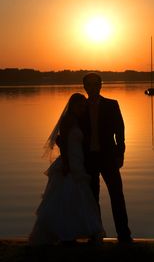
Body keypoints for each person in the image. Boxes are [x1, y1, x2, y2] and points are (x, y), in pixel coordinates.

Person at [29, 93, 105, 246]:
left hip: (78, 160)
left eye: (84, 106)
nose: (82, 109)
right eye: (79, 106)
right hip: (70, 162)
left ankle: (73, 232)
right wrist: (66, 163)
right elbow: (61, 141)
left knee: (77, 199)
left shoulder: (77, 120)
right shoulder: (68, 120)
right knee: (66, 198)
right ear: (73, 106)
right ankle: (66, 234)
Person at [82, 72, 132, 243]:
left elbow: (120, 131)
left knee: (117, 195)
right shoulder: (81, 107)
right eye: (89, 84)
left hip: (109, 157)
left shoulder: (112, 105)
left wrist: (120, 153)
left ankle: (124, 234)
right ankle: (95, 234)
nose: (92, 87)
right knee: (92, 197)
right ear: (85, 87)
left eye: (96, 83)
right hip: (89, 159)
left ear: (101, 85)